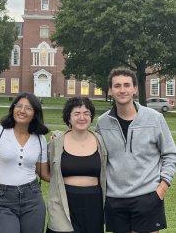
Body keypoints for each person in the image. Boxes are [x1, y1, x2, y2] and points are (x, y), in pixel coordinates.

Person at [96, 67, 176, 233]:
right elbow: (95, 154)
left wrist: (162, 188)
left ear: (135, 88)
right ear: (110, 90)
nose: (122, 90)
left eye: (127, 85)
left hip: (148, 196)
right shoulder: (102, 123)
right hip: (115, 199)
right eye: (117, 86)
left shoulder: (154, 118)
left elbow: (169, 154)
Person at [0, 93, 50, 233]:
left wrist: (72, 179)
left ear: (35, 113)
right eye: (19, 106)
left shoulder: (40, 139)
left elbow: (44, 174)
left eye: (28, 108)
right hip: (3, 199)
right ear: (13, 108)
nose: (22, 110)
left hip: (33, 197)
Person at [47, 96, 107, 233]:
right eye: (77, 113)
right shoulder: (56, 143)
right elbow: (45, 171)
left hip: (93, 204)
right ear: (69, 118)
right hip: (63, 201)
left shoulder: (100, 141)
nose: (82, 117)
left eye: (86, 113)